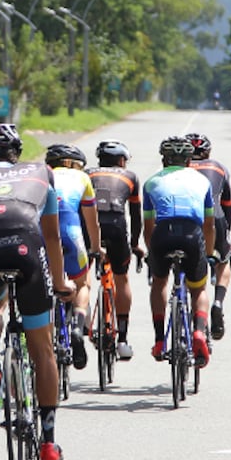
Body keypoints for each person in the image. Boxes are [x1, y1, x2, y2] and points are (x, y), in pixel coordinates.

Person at [0, 124, 73, 460]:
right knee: (43, 350)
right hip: (28, 247)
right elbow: (52, 237)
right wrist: (59, 283)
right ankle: (49, 442)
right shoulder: (43, 173)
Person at [142, 135, 215, 367]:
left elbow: (148, 227)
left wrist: (151, 253)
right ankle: (199, 333)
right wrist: (210, 254)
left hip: (162, 234)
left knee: (160, 282)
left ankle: (158, 340)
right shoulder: (202, 181)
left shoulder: (151, 182)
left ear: (164, 159)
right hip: (192, 236)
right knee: (198, 288)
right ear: (189, 160)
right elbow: (209, 225)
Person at [85, 139, 145, 360]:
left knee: (84, 271)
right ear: (121, 160)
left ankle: (83, 314)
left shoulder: (87, 174)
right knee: (122, 279)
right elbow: (136, 215)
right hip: (117, 225)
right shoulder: (130, 177)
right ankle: (122, 340)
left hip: (90, 226)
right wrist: (135, 244)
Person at [44, 143, 103, 370]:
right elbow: (92, 221)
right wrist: (96, 249)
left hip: (42, 233)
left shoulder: (40, 176)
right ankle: (78, 327)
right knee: (82, 283)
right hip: (71, 231)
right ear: (74, 164)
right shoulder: (82, 178)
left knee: (42, 282)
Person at [186, 132, 231, 340]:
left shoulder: (178, 169)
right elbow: (227, 204)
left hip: (186, 220)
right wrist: (227, 233)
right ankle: (218, 302)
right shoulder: (219, 167)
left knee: (190, 263)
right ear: (208, 151)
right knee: (223, 260)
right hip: (216, 218)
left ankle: (193, 303)